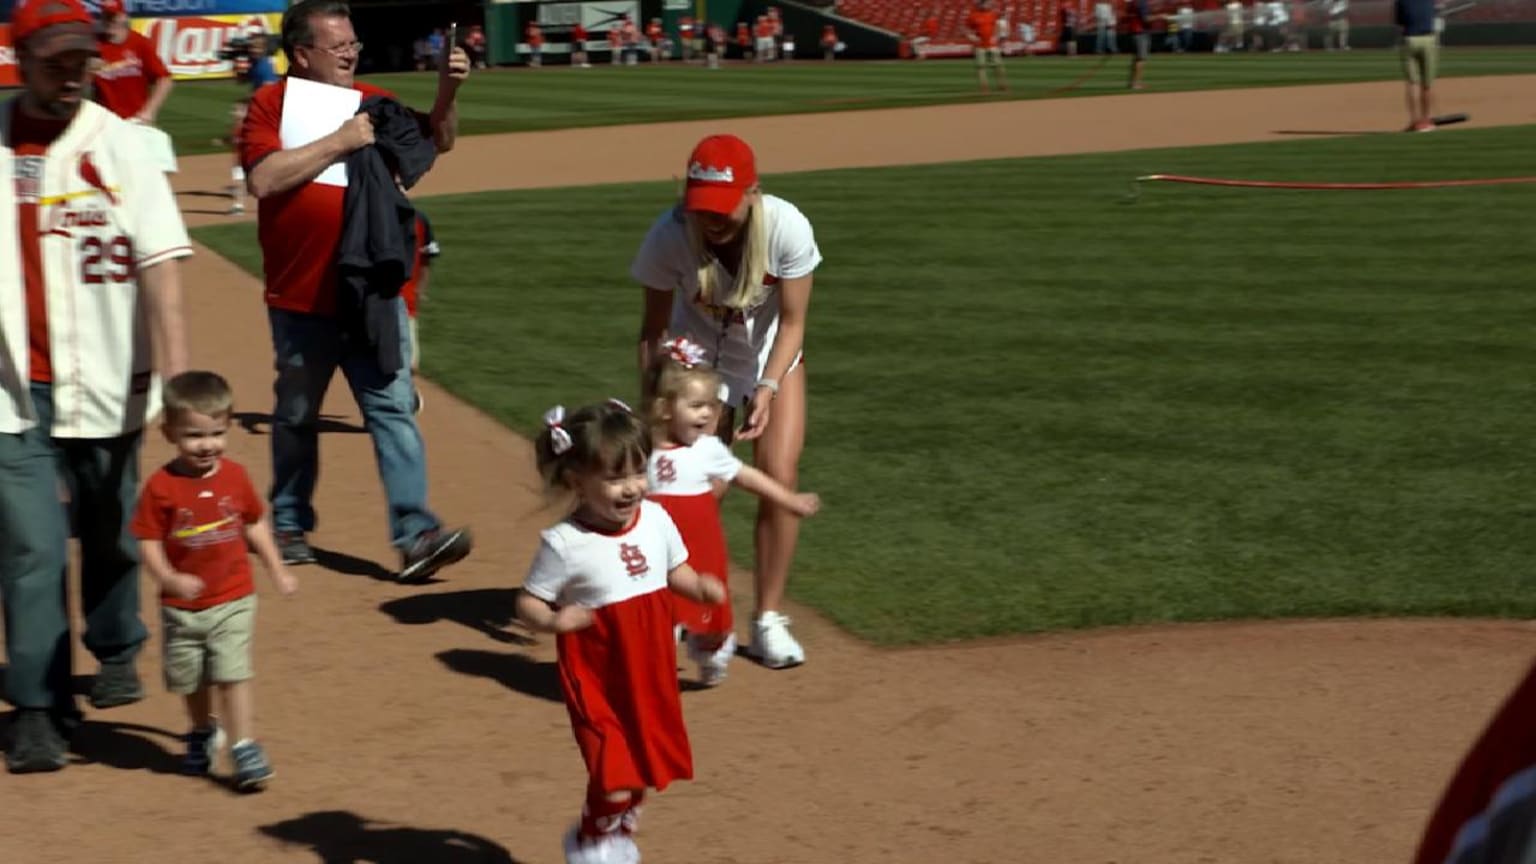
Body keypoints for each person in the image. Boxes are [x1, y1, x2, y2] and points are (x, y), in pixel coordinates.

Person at [0, 0, 191, 774]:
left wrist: (180, 384)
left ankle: (116, 645)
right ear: (21, 60)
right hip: (12, 390)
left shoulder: (123, 146)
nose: (74, 74)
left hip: (109, 380)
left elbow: (164, 267)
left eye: (82, 59)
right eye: (56, 61)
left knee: (113, 529)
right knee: (32, 549)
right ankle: (41, 706)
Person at [238, 0, 472, 582]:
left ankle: (416, 533)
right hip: (300, 296)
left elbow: (434, 144)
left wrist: (448, 93)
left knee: (392, 409)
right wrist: (341, 142)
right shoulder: (273, 103)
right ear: (302, 54)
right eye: (337, 44)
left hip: (370, 289)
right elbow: (264, 178)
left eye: (353, 44)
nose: (350, 52)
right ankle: (290, 522)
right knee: (296, 415)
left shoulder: (371, 101)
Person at [631, 133, 822, 669]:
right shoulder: (670, 236)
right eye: (701, 208)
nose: (710, 219)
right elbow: (650, 330)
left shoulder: (786, 226)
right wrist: (655, 405)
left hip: (768, 356)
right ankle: (669, 608)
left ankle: (767, 619)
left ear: (752, 193)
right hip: (694, 365)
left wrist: (768, 386)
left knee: (779, 474)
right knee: (688, 486)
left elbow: (794, 321)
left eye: (721, 207)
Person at [515, 400, 726, 864]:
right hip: (597, 678)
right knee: (614, 779)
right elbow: (528, 601)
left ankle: (619, 834)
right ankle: (590, 841)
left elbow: (677, 570)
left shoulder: (655, 518)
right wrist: (552, 621)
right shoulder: (564, 544)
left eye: (638, 472)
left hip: (649, 670)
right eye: (614, 478)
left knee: (642, 770)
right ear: (577, 482)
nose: (631, 488)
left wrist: (701, 587)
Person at [130, 371, 298, 791]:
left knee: (231, 673)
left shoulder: (235, 478)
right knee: (191, 679)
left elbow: (255, 525)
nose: (207, 445)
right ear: (169, 433)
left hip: (232, 598)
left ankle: (244, 744)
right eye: (193, 436)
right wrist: (168, 577)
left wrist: (277, 568)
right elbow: (148, 541)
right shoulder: (160, 487)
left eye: (217, 433)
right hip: (181, 608)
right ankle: (203, 730)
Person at [643, 337, 820, 686]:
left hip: (703, 548)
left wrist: (789, 500)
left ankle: (711, 658)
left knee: (712, 614)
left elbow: (748, 477)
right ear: (665, 408)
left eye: (710, 405)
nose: (708, 413)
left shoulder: (709, 449)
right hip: (658, 548)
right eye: (696, 406)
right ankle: (652, 669)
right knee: (656, 608)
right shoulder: (643, 449)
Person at [90, 0, 172, 125]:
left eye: (114, 17)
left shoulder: (139, 43)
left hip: (136, 120)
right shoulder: (94, 45)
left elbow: (164, 79)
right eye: (106, 16)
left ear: (124, 17)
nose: (110, 21)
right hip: (105, 121)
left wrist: (149, 111)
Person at [400, 209, 441, 411]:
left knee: (410, 363)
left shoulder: (418, 218)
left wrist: (420, 290)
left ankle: (402, 395)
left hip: (405, 303)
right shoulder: (366, 211)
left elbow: (427, 257)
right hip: (373, 303)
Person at [1395, 0, 1438, 132]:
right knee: (1427, 83)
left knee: (1412, 83)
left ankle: (1415, 121)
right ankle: (1426, 120)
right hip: (1428, 38)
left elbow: (1400, 23)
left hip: (1410, 38)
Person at [965, 0, 1008, 93]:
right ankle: (984, 87)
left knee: (998, 65)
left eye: (987, 3)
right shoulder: (973, 16)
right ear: (979, 4)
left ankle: (1002, 85)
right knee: (981, 67)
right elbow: (967, 29)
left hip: (992, 44)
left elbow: (997, 26)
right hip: (980, 45)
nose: (986, 5)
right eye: (984, 3)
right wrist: (972, 38)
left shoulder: (992, 14)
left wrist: (995, 36)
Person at [1126, 0, 1150, 90]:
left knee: (1136, 59)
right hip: (1140, 32)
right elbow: (1146, 19)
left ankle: (1132, 82)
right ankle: (1136, 84)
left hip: (1133, 32)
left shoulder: (1132, 3)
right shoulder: (1142, 2)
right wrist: (1159, 17)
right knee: (1141, 59)